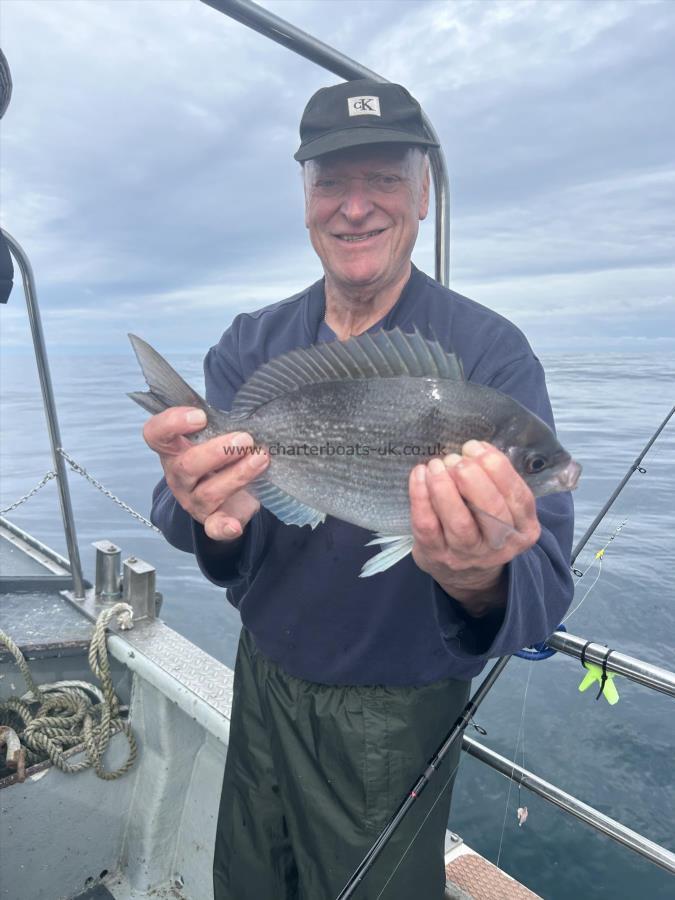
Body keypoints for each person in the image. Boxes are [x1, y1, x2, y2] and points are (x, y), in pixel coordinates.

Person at [145, 79, 575, 900]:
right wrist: (210, 516)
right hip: (262, 681)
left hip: (396, 717)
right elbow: (182, 513)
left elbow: (545, 588)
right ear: (304, 197)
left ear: (421, 192)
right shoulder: (252, 343)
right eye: (331, 182)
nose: (354, 207)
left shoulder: (492, 357)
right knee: (247, 884)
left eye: (381, 179)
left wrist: (476, 574)